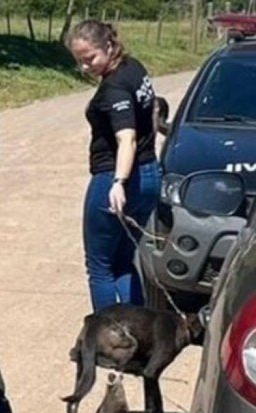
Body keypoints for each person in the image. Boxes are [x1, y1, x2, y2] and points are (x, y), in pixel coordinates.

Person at [66, 20, 161, 311]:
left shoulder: (115, 88)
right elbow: (154, 110)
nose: (85, 67)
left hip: (116, 176)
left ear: (108, 47)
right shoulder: (134, 67)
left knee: (100, 266)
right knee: (123, 260)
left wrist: (119, 183)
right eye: (79, 61)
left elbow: (126, 138)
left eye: (89, 58)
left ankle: (108, 332)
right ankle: (138, 329)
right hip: (149, 173)